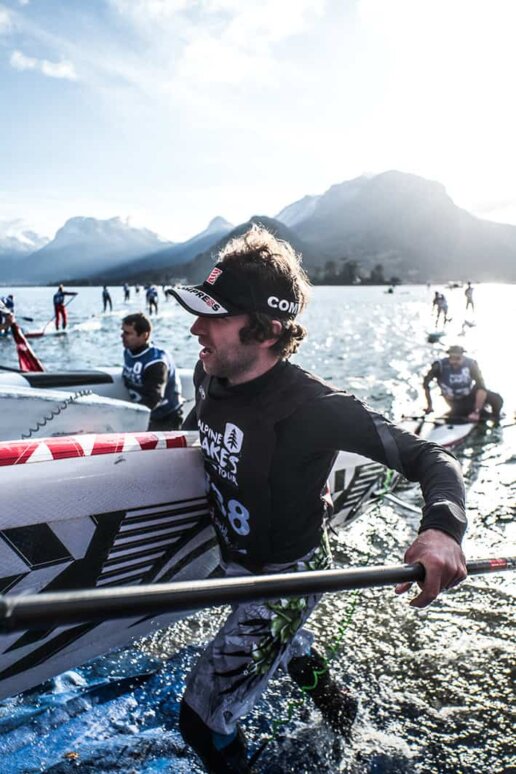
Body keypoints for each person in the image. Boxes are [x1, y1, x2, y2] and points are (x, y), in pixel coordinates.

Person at [168, 225, 467, 773]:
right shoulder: (210, 371)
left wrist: (443, 530)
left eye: (214, 316)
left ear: (265, 330)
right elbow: (203, 428)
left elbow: (433, 458)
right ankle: (342, 711)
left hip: (289, 572)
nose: (195, 328)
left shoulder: (316, 408)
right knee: (292, 648)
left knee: (203, 722)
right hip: (236, 561)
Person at [121, 312, 183, 430]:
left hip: (165, 418)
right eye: (123, 331)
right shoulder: (128, 352)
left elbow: (154, 399)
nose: (122, 336)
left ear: (144, 335)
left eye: (128, 333)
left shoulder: (156, 363)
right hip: (145, 414)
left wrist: (129, 416)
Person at [423, 344, 503, 422]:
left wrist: (476, 411)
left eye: (458, 358)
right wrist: (429, 406)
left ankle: (495, 417)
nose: (455, 361)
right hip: (455, 401)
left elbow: (481, 387)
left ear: (462, 357)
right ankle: (467, 413)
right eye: (452, 358)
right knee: (463, 413)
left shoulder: (471, 364)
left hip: (469, 396)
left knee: (497, 399)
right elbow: (426, 384)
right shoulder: (439, 366)